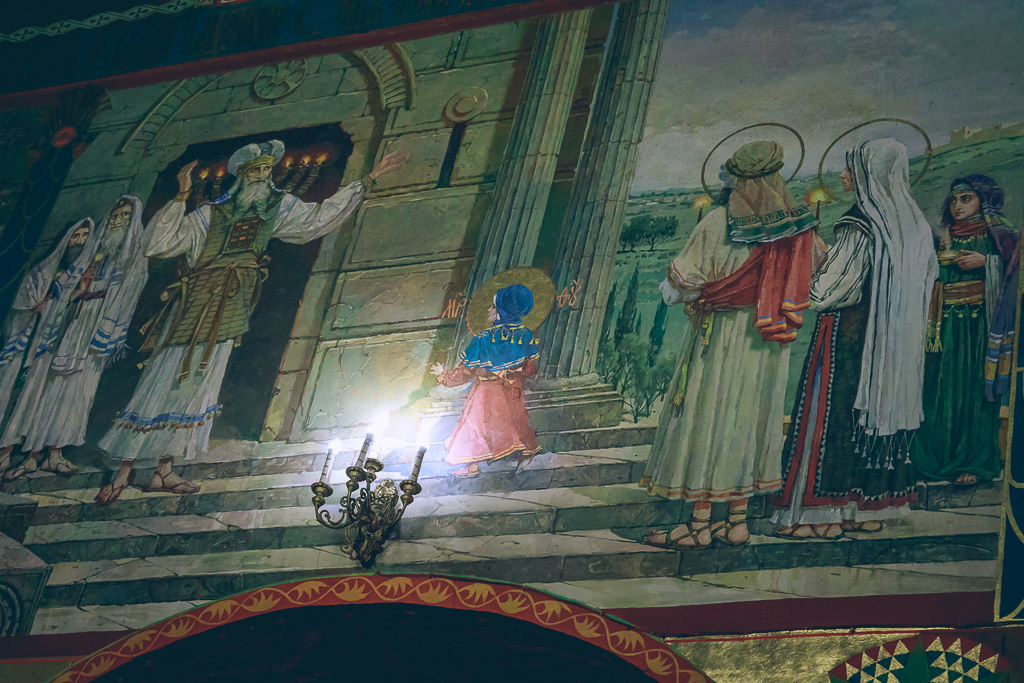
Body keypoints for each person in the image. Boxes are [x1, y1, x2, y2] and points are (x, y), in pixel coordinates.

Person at [94, 141, 405, 503]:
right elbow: (158, 243)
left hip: (232, 303)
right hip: (194, 303)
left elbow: (317, 218)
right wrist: (181, 196)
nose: (261, 176)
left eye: (267, 170)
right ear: (241, 176)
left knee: (201, 384)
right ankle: (124, 472)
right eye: (254, 170)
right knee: (161, 378)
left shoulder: (276, 208)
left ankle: (164, 470)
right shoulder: (210, 212)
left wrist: (368, 179)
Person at [640, 140, 820, 549]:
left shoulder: (717, 222)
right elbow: (814, 273)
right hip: (767, 342)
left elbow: (679, 286)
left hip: (720, 338)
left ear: (737, 180)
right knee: (749, 422)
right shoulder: (800, 228)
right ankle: (737, 522)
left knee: (710, 420)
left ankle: (699, 525)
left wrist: (684, 292)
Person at [771, 138, 939, 539]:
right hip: (896, 344)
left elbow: (829, 291)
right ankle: (866, 510)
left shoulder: (859, 222)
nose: (844, 175)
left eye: (853, 167)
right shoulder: (914, 225)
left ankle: (821, 517)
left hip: (847, 338)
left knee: (834, 418)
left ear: (871, 172)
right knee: (876, 419)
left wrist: (812, 267)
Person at [912, 175, 1019, 485]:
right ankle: (937, 460)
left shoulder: (1001, 234)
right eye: (953, 200)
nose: (956, 206)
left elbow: (1016, 270)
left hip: (980, 326)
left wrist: (988, 262)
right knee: (940, 392)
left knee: (975, 392)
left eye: (965, 199)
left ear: (983, 200)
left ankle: (975, 462)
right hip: (945, 327)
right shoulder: (944, 236)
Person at [0, 219, 100, 477]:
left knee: (29, 403)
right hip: (24, 347)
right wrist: (35, 309)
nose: (79, 242)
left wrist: (79, 291)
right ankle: (4, 452)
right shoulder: (43, 272)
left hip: (46, 352)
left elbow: (61, 306)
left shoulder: (77, 276)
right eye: (75, 236)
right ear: (65, 238)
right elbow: (23, 302)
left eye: (84, 237)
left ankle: (13, 453)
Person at [429, 284, 541, 478]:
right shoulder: (525, 335)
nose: (489, 310)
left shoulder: (484, 338)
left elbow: (467, 371)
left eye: (493, 307)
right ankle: (526, 453)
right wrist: (510, 372)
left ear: (502, 311)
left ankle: (470, 466)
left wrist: (444, 376)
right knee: (516, 422)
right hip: (513, 390)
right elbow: (530, 369)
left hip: (486, 393)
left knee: (474, 426)